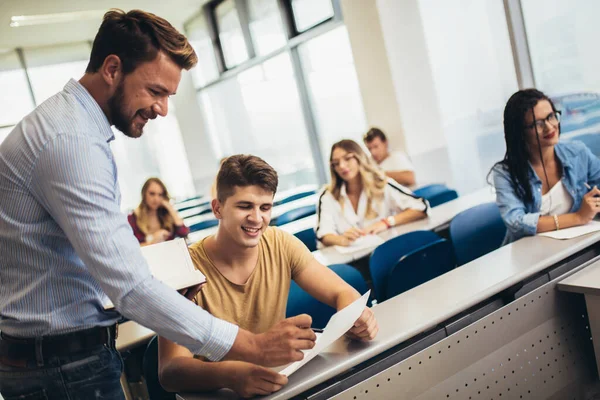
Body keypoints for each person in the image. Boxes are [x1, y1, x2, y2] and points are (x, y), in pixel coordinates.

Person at [0, 9, 315, 400]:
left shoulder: (72, 129)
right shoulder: (71, 141)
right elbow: (128, 285)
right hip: (60, 370)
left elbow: (83, 262)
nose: (163, 109)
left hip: (58, 362)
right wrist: (252, 346)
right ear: (112, 69)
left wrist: (161, 289)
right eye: (155, 91)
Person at [158, 155, 378, 397]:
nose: (257, 218)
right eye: (244, 206)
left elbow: (342, 292)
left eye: (265, 207)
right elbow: (170, 370)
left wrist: (355, 317)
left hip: (275, 387)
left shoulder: (280, 243)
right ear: (217, 208)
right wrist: (230, 375)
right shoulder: (185, 269)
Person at [490, 88, 600, 245]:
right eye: (537, 124)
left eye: (551, 117)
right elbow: (517, 222)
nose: (549, 127)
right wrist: (578, 217)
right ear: (520, 132)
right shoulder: (505, 173)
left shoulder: (577, 153)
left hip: (576, 244)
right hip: (531, 253)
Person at [316, 139, 428, 247]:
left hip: (385, 250)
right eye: (336, 163)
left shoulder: (381, 184)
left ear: (360, 158)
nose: (342, 166)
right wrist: (341, 239)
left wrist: (386, 222)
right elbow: (323, 234)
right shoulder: (327, 196)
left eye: (347, 158)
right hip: (351, 260)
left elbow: (421, 207)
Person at [128, 177, 190, 246]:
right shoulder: (133, 218)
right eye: (152, 194)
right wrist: (152, 241)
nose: (156, 199)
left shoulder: (166, 215)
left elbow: (184, 233)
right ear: (144, 194)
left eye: (160, 195)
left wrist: (170, 208)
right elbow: (131, 248)